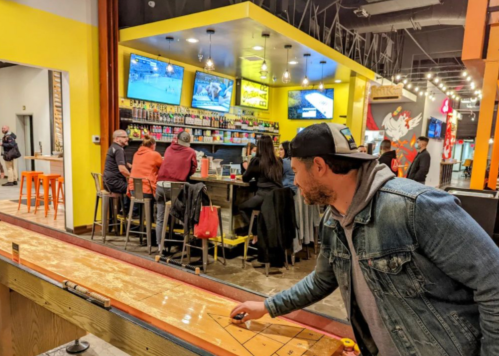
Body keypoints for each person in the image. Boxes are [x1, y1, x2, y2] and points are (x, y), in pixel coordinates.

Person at [231, 123, 499, 356]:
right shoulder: (333, 218)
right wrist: (267, 306)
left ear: (320, 167)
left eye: (297, 170)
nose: (295, 180)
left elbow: (493, 281)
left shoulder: (414, 206)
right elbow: (322, 280)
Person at [155, 131, 197, 248]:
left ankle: (160, 245)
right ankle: (186, 245)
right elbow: (193, 168)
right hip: (176, 187)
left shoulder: (169, 148)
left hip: (160, 186)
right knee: (186, 214)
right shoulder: (191, 152)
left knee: (160, 218)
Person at [240, 135, 282, 235]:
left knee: (242, 208)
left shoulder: (257, 161)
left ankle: (256, 233)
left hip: (264, 196)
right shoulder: (278, 161)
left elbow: (245, 178)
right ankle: (260, 231)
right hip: (278, 197)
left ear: (259, 147)